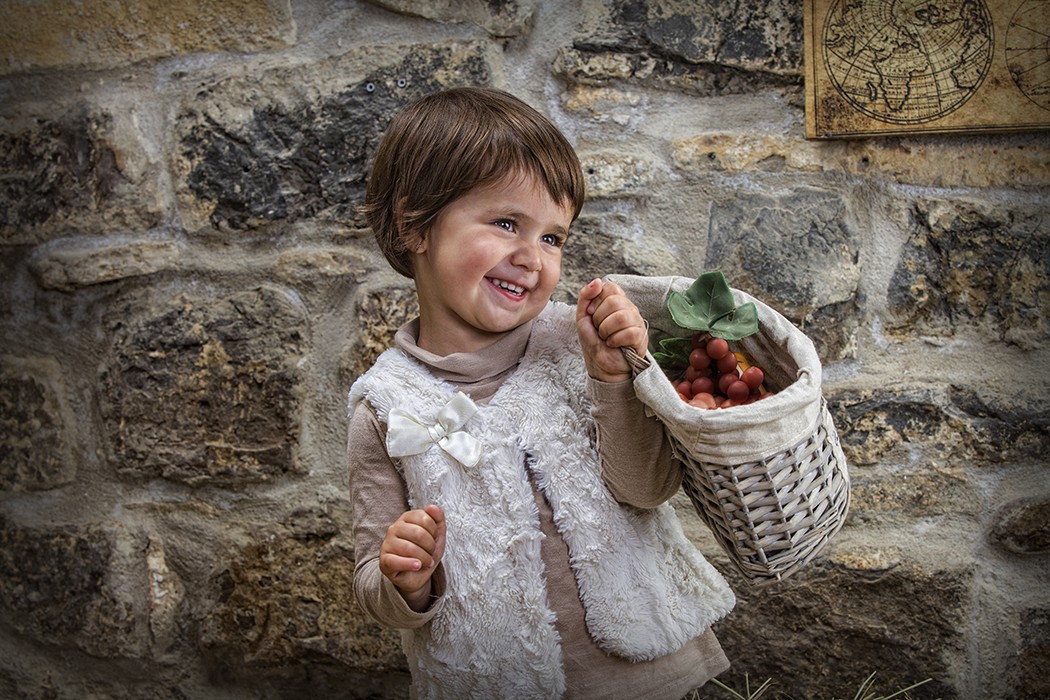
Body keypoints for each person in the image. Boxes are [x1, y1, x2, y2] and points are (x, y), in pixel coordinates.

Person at [347, 86, 735, 700]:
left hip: (644, 675)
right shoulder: (383, 405)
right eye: (507, 224)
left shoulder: (575, 346)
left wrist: (615, 379)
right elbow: (374, 585)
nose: (532, 257)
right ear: (413, 224)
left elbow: (648, 489)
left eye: (554, 238)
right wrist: (405, 580)